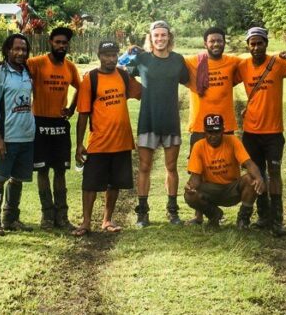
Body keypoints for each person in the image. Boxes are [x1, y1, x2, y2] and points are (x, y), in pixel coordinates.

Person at [120, 20, 190, 227]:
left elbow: (189, 79)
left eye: (163, 35)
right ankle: (143, 212)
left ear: (169, 37)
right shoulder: (142, 59)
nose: (160, 39)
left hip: (170, 121)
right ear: (150, 38)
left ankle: (172, 211)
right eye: (156, 35)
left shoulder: (178, 60)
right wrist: (129, 53)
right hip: (148, 120)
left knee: (171, 167)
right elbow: (120, 69)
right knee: (144, 167)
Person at [234, 26, 286, 236]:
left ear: (266, 43)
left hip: (273, 132)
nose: (256, 47)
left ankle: (277, 220)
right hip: (251, 132)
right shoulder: (243, 66)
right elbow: (223, 76)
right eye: (252, 44)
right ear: (247, 45)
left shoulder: (277, 64)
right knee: (256, 173)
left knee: (274, 174)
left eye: (260, 43)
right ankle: (263, 216)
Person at [73, 41, 142, 236]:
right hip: (99, 142)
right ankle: (86, 222)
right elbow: (83, 114)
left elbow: (142, 93)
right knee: (90, 184)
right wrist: (79, 144)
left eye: (114, 55)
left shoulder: (123, 75)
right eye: (107, 55)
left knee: (114, 183)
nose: (111, 59)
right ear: (99, 55)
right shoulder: (91, 79)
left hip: (121, 141)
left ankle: (107, 220)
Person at [181, 26, 244, 224]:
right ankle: (199, 214)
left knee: (225, 167)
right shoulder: (193, 62)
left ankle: (232, 201)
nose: (216, 44)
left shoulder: (233, 62)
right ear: (205, 43)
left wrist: (280, 55)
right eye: (212, 41)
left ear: (224, 42)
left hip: (225, 126)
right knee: (197, 170)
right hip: (200, 126)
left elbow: (255, 63)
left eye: (219, 40)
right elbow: (170, 60)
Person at [26, 26, 81, 230]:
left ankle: (62, 217)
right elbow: (18, 66)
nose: (61, 46)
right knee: (42, 171)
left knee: (60, 170)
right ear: (51, 42)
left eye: (64, 43)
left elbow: (81, 88)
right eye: (57, 42)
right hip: (39, 122)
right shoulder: (38, 63)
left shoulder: (70, 67)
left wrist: (72, 108)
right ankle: (47, 216)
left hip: (59, 124)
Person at [0, 33, 35, 236]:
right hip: (7, 137)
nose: (20, 52)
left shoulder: (28, 72)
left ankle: (11, 218)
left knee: (17, 179)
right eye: (16, 48)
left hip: (27, 136)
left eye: (23, 49)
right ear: (7, 50)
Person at [184, 113, 266, 228]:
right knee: (189, 196)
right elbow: (195, 178)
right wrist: (190, 187)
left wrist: (259, 178)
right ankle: (214, 215)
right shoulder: (198, 146)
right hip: (211, 190)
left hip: (232, 189)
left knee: (251, 179)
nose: (213, 136)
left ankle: (243, 218)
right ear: (204, 131)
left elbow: (249, 163)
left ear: (223, 130)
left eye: (216, 132)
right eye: (210, 132)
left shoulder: (233, 141)